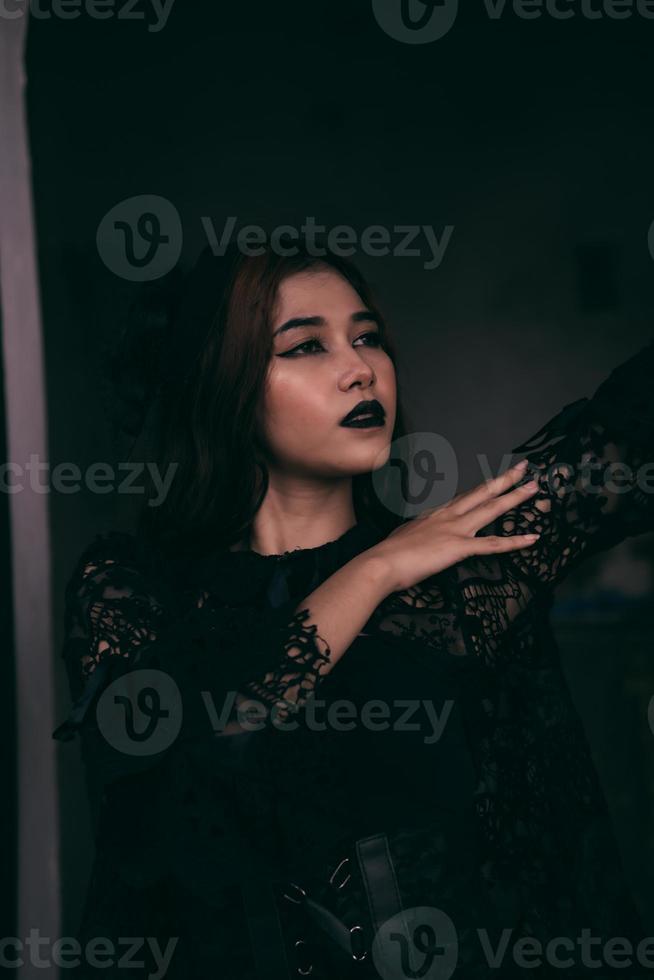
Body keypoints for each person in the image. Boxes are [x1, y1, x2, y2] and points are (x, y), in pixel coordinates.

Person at [53, 241, 654, 979]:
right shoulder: (132, 587)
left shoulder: (457, 571)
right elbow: (191, 780)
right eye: (306, 345)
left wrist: (397, 562)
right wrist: (372, 572)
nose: (360, 367)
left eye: (367, 337)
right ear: (223, 385)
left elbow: (627, 434)